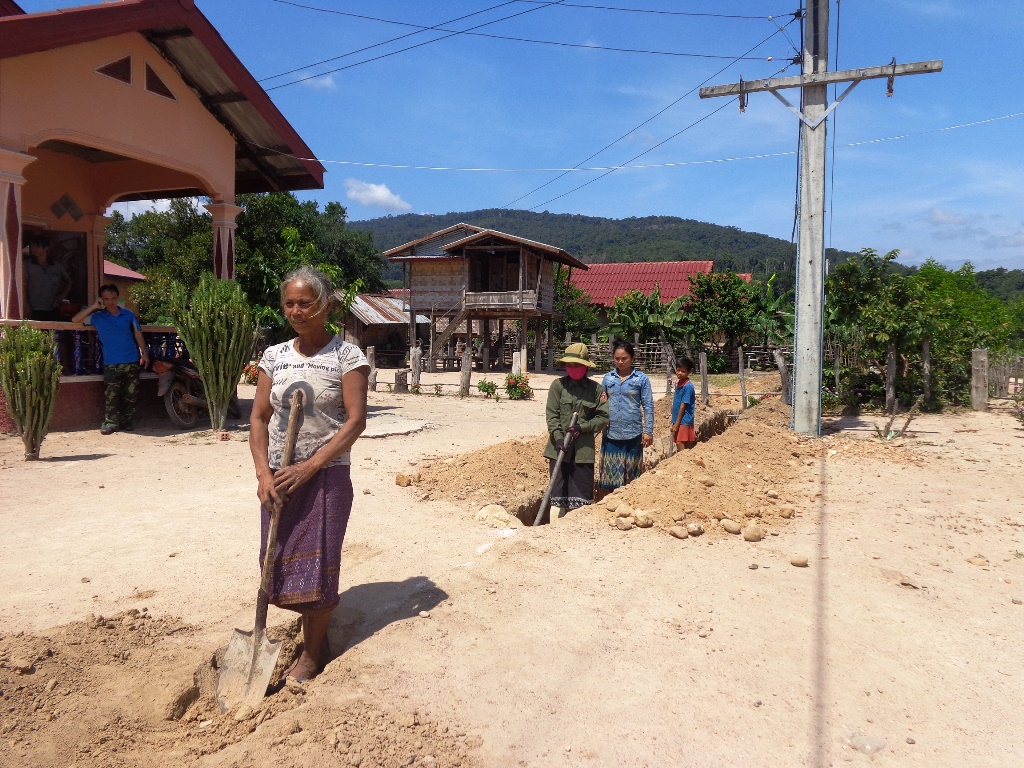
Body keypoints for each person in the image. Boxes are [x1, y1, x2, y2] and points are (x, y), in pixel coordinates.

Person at [250, 265, 370, 683]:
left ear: (326, 305)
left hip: (326, 477)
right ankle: (303, 640)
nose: (297, 310)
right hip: (279, 481)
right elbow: (260, 418)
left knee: (319, 566)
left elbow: (355, 422)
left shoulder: (346, 356)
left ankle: (312, 654)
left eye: (306, 302)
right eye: (290, 303)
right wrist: (265, 474)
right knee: (276, 559)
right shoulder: (274, 357)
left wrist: (310, 466)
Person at [544, 342, 609, 524]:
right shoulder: (557, 386)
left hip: (583, 452)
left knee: (581, 498)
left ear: (585, 367)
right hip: (559, 450)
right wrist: (558, 438)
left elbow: (603, 418)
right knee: (557, 495)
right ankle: (554, 532)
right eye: (569, 365)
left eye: (577, 365)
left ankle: (578, 533)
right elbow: (552, 416)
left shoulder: (596, 390)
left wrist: (584, 427)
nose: (573, 369)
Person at [72, 284, 149, 434]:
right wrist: (94, 306)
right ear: (102, 299)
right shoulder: (97, 317)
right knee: (111, 394)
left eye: (113, 298)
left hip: (131, 359)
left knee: (130, 395)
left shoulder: (128, 315)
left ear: (117, 298)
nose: (110, 302)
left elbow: (138, 334)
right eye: (106, 299)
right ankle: (111, 423)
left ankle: (126, 421)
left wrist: (144, 353)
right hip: (111, 362)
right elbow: (76, 319)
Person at [599, 340, 654, 492]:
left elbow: (648, 405)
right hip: (611, 434)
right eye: (617, 358)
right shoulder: (608, 378)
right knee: (609, 476)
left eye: (624, 358)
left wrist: (648, 431)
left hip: (633, 434)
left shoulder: (641, 379)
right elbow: (602, 402)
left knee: (631, 477)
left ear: (632, 358)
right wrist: (601, 420)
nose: (620, 362)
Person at [24, 234, 72, 321]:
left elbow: (68, 282)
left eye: (37, 247)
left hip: (52, 308)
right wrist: (26, 305)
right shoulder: (27, 265)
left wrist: (61, 296)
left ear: (46, 248)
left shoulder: (56, 266)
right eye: (32, 247)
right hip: (34, 309)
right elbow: (23, 286)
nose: (33, 249)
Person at [671, 357, 697, 450]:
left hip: (684, 419)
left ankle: (683, 462)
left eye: (683, 371)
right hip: (678, 419)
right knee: (679, 441)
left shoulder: (688, 386)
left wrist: (676, 424)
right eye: (678, 370)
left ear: (689, 372)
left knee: (680, 442)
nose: (680, 373)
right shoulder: (678, 383)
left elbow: (683, 406)